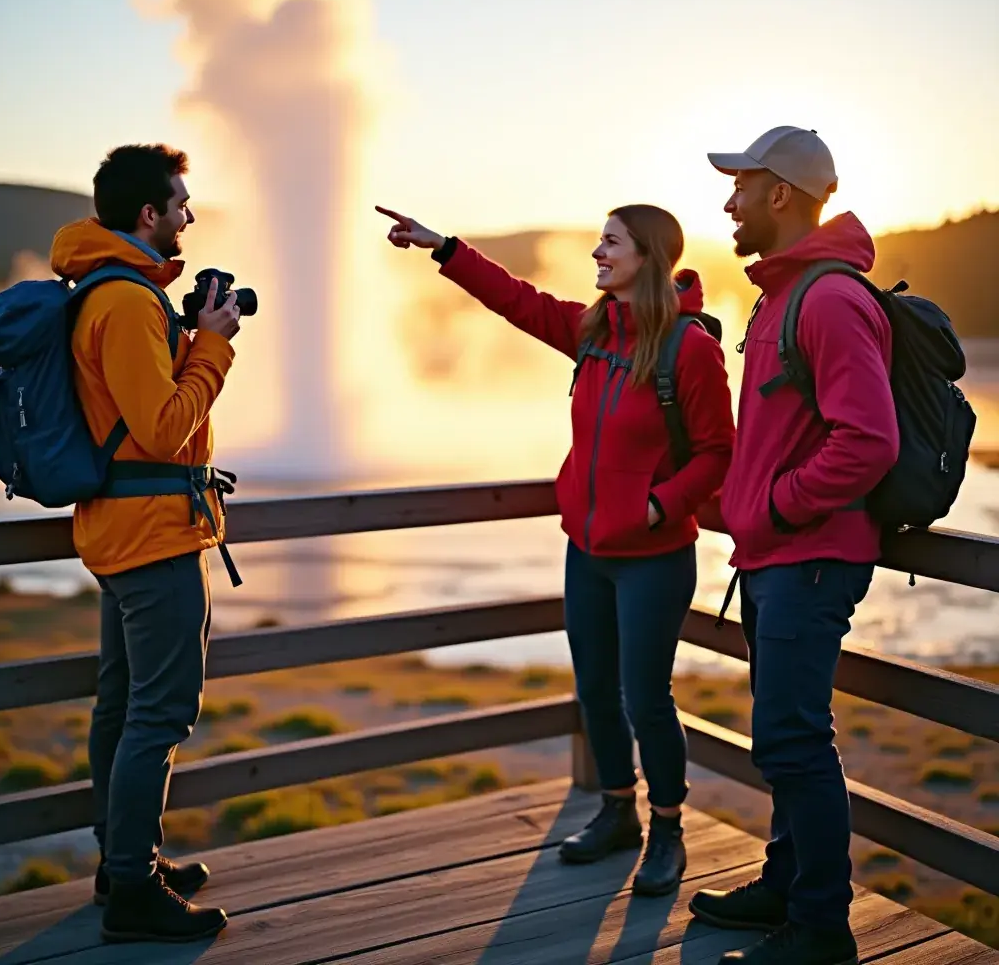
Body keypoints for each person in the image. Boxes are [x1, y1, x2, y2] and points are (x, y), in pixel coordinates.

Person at [377, 202, 735, 896]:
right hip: (588, 549)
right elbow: (515, 299)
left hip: (654, 558)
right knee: (596, 690)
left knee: (647, 699)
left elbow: (720, 451)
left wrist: (661, 505)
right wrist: (443, 246)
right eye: (599, 241)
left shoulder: (688, 348)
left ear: (649, 259)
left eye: (611, 243)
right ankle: (616, 811)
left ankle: (667, 830)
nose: (597, 253)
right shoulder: (594, 329)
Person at [688, 128, 900, 965]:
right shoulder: (781, 296)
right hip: (780, 558)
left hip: (809, 559)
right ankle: (784, 884)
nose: (727, 201)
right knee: (784, 733)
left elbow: (869, 441)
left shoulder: (830, 300)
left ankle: (819, 928)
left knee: (792, 739)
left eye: (739, 185)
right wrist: (737, 502)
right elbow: (781, 431)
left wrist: (773, 505)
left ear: (780, 194)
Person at [52, 144, 241, 943]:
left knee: (123, 707)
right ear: (147, 215)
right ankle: (131, 889)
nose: (189, 215)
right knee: (157, 715)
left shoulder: (107, 290)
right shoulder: (125, 303)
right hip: (153, 539)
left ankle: (122, 860)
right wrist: (214, 345)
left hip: (126, 532)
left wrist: (191, 336)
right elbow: (165, 430)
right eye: (181, 203)